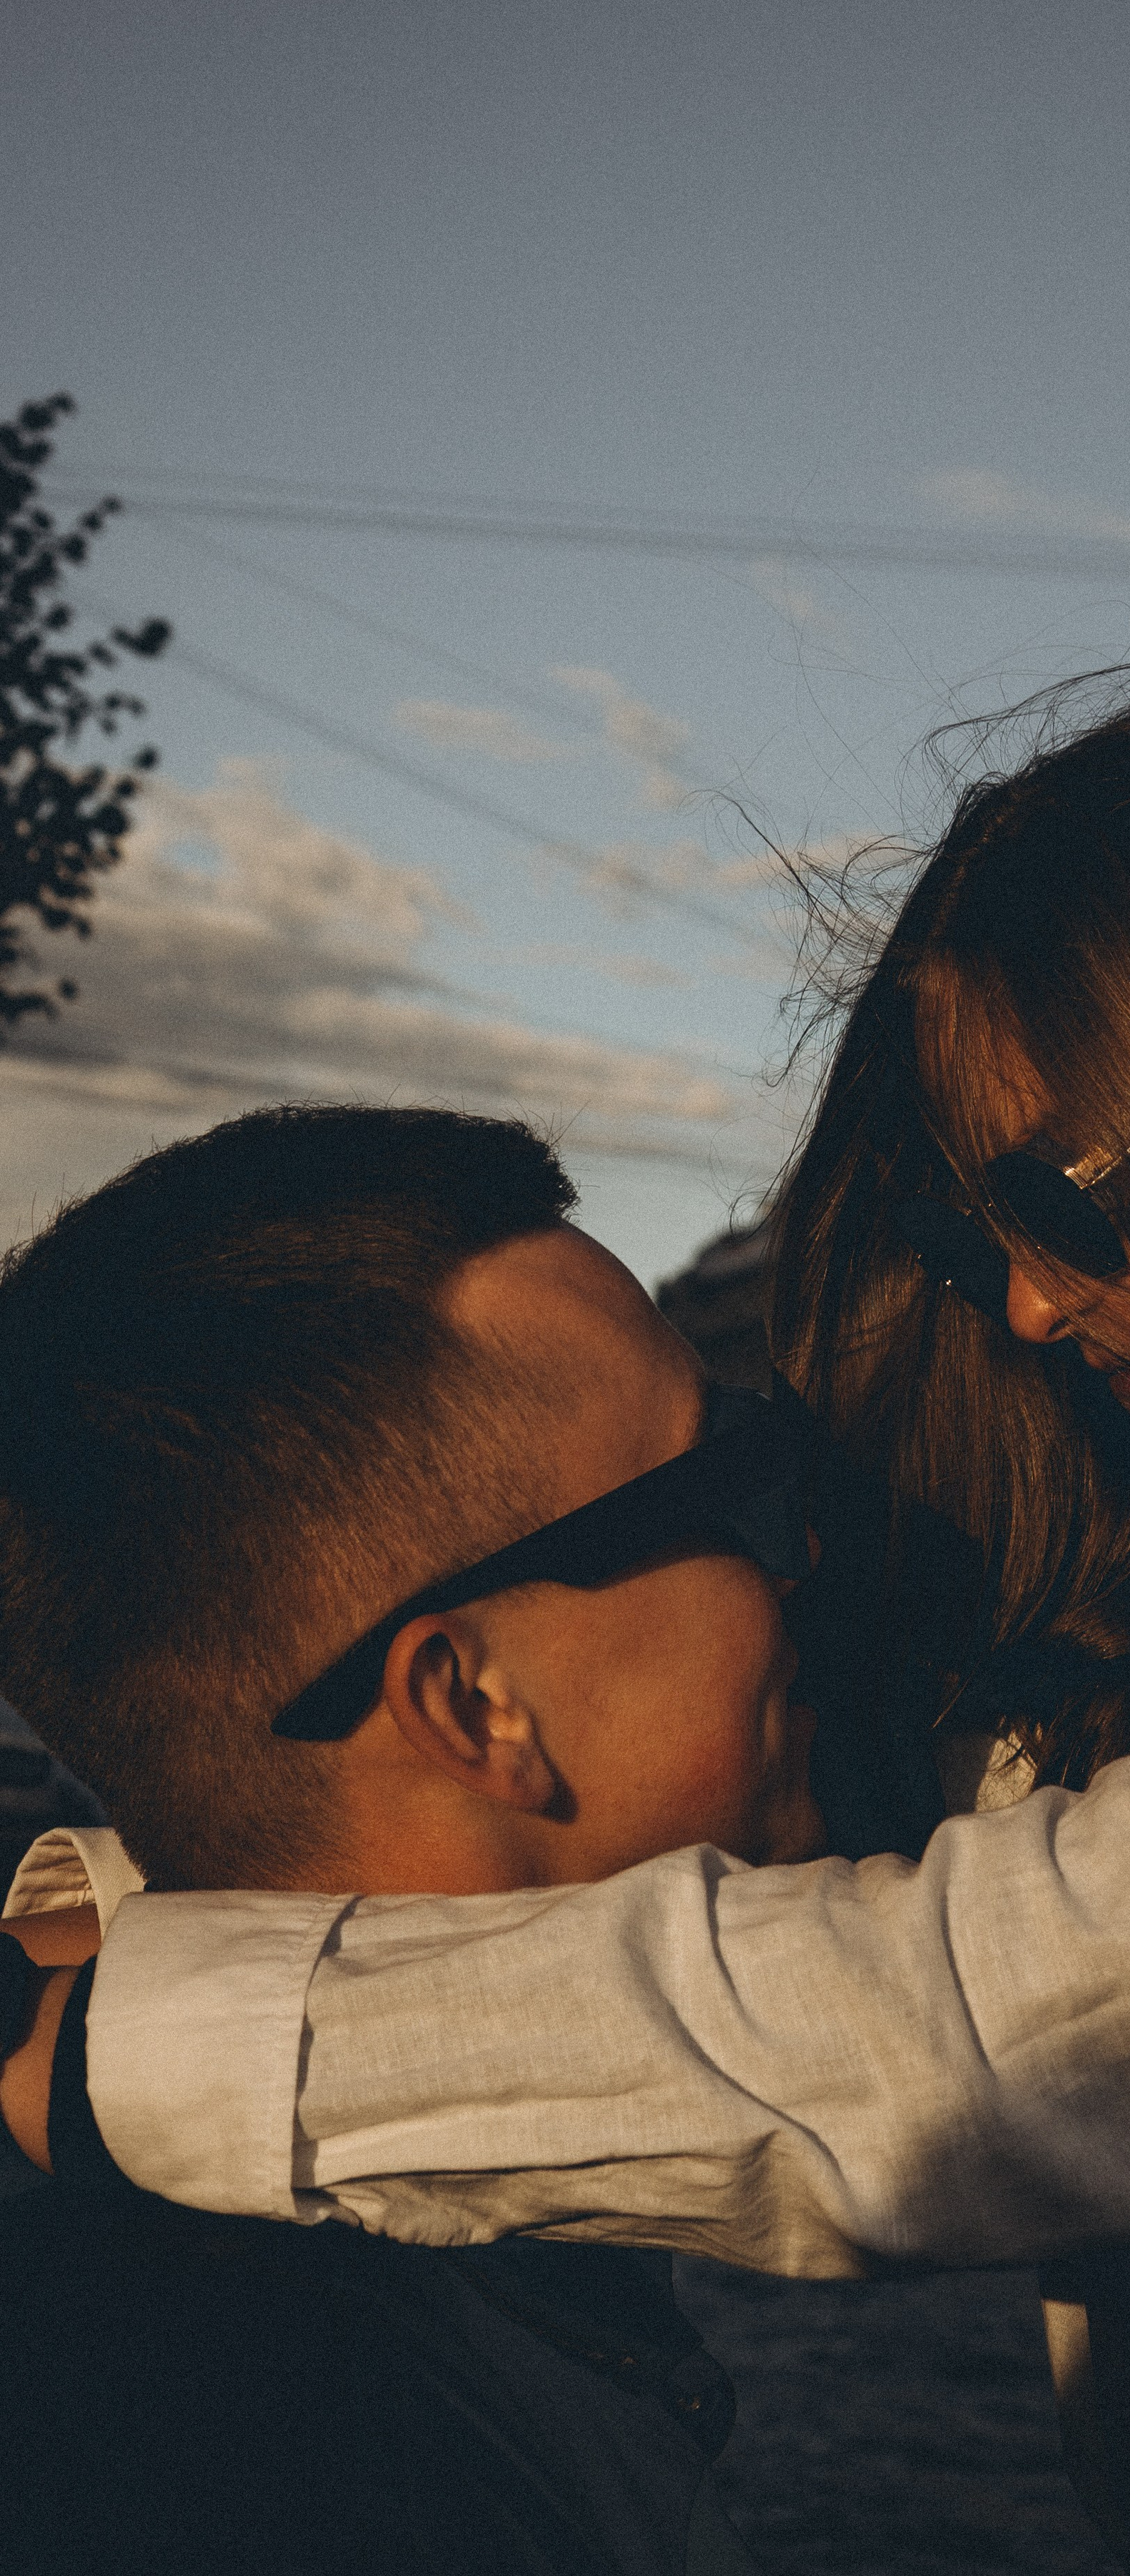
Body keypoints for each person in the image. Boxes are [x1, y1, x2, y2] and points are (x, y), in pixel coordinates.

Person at [13, 678, 1130, 2572]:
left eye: (1069, 1196)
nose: (1034, 1307)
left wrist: (163, 2043)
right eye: (985, 1235)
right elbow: (827, 1879)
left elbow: (995, 2022)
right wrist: (185, 1869)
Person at [0, 1101, 830, 2576]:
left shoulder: (250, 2295)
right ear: (472, 1702)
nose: (807, 1545)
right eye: (734, 1480)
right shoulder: (268, 2463)